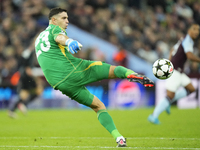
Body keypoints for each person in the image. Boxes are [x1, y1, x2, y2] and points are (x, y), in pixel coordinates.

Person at [35, 7, 154, 147]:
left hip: (59, 84)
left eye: (67, 18)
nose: (67, 21)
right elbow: (60, 37)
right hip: (74, 71)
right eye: (63, 18)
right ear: (53, 20)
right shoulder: (54, 29)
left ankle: (119, 138)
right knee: (113, 69)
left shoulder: (38, 39)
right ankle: (132, 75)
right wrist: (69, 41)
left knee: (99, 106)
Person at [148, 23, 200, 124]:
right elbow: (189, 56)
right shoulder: (188, 40)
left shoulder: (183, 39)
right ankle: (153, 116)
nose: (197, 32)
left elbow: (172, 50)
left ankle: (168, 103)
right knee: (169, 96)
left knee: (191, 89)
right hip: (175, 71)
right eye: (194, 29)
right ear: (189, 30)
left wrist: (170, 61)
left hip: (179, 71)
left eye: (198, 30)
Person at [8, 42, 43, 118]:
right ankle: (20, 106)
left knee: (25, 94)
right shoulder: (28, 52)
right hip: (26, 76)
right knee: (36, 91)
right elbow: (24, 63)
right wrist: (28, 69)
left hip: (25, 75)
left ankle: (13, 109)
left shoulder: (29, 52)